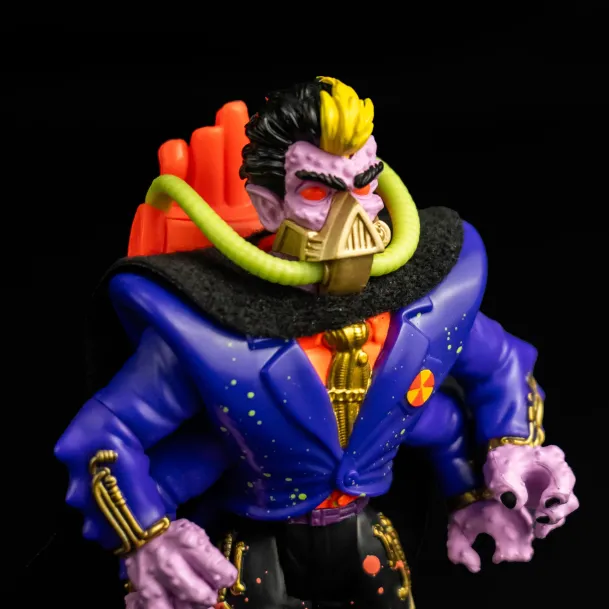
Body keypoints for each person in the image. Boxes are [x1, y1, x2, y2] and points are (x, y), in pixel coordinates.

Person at [55, 76, 578, 609]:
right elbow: (104, 433)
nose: (353, 220)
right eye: (316, 192)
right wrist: (146, 538)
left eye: (364, 187)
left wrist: (507, 456)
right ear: (268, 206)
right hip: (256, 540)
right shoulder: (209, 335)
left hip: (364, 532)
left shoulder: (427, 307)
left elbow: (500, 367)